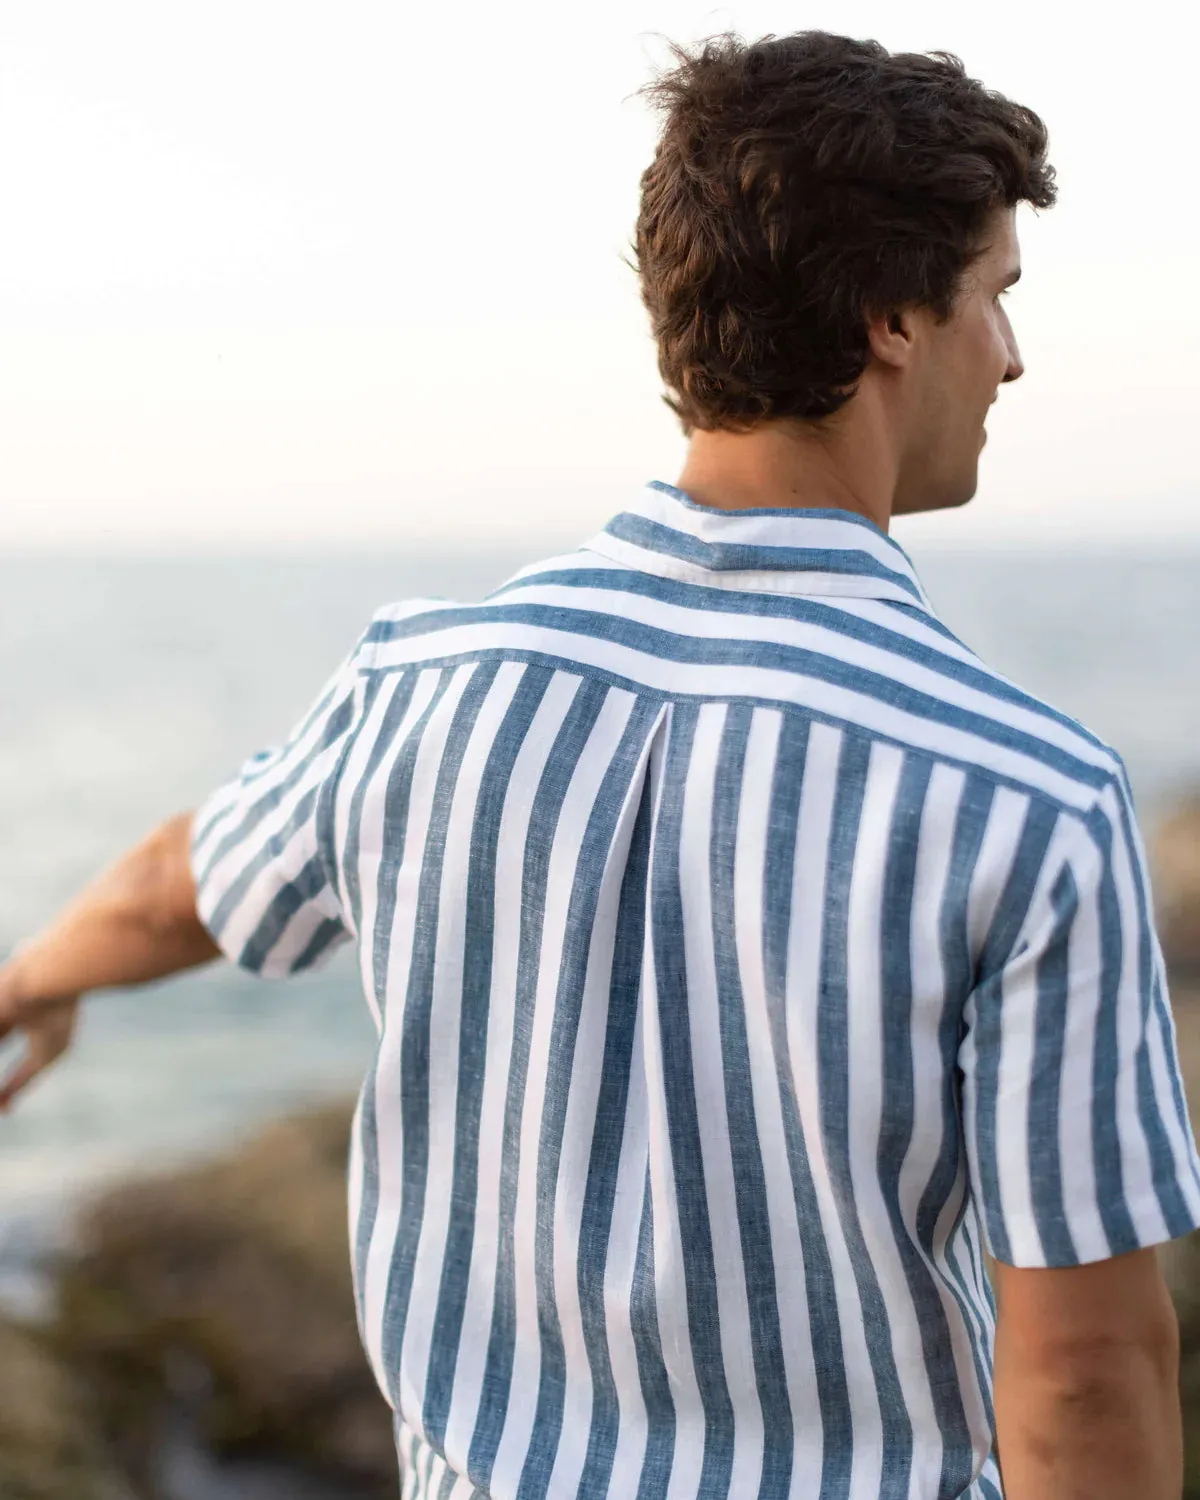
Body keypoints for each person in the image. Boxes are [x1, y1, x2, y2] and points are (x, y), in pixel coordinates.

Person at [0, 28, 1195, 1500]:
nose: (1011, 355)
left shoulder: (423, 688)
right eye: (996, 296)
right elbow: (1082, 1371)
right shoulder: (1031, 797)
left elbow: (181, 882)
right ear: (893, 316)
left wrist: (28, 984)